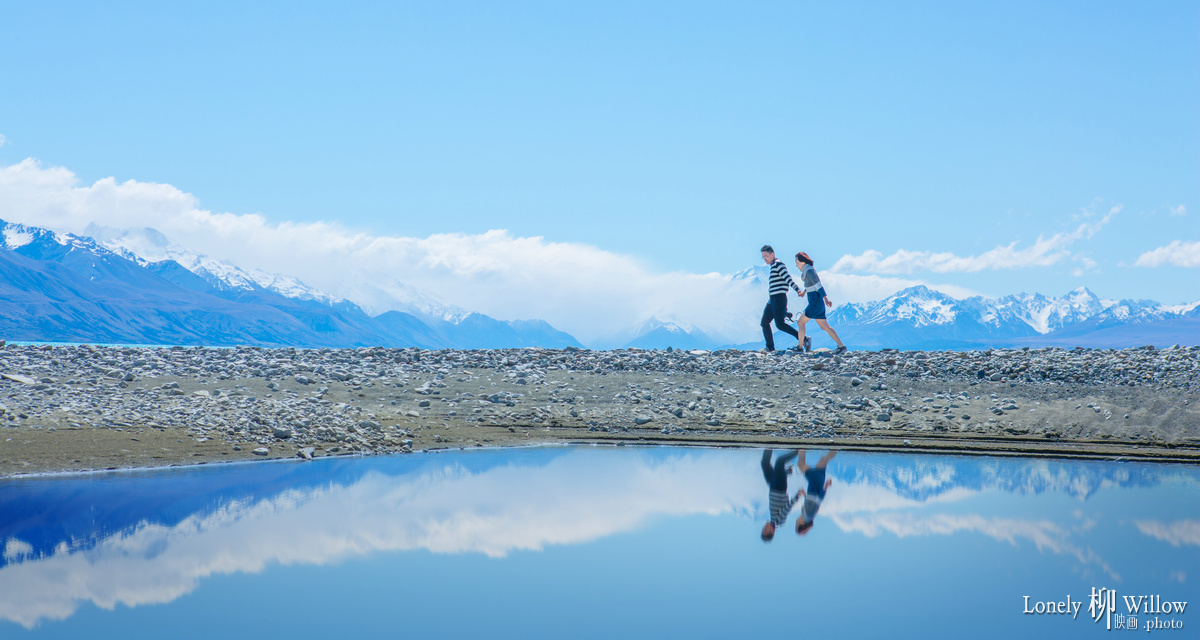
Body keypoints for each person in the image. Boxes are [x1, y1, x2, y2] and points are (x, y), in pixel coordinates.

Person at [793, 251, 847, 354]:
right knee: (825, 327)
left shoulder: (809, 272)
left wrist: (826, 298)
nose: (796, 265)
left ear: (802, 261)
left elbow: (818, 285)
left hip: (814, 303)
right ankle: (841, 346)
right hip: (818, 304)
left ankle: (800, 347)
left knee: (800, 322)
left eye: (796, 262)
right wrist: (804, 292)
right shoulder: (808, 271)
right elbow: (812, 285)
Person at [759, 245, 802, 352]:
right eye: (763, 256)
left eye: (766, 256)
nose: (764, 258)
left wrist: (797, 289)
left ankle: (803, 339)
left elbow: (787, 278)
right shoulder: (773, 266)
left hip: (779, 298)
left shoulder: (778, 264)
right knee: (764, 322)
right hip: (772, 299)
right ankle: (770, 347)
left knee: (780, 325)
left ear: (772, 254)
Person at [760, 448, 801, 542]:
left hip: (773, 487)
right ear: (772, 531)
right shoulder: (779, 522)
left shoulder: (773, 520)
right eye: (766, 530)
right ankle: (799, 450)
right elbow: (787, 509)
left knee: (764, 463)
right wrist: (796, 497)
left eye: (763, 529)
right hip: (779, 488)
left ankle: (769, 444)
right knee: (780, 461)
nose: (764, 527)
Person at [795, 449, 837, 536]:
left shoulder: (806, 515)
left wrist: (804, 495)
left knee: (824, 460)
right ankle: (801, 447)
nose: (796, 522)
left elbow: (812, 501)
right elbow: (818, 500)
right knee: (801, 464)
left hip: (815, 483)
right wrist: (826, 487)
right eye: (796, 525)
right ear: (800, 524)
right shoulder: (808, 516)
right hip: (815, 483)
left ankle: (836, 446)